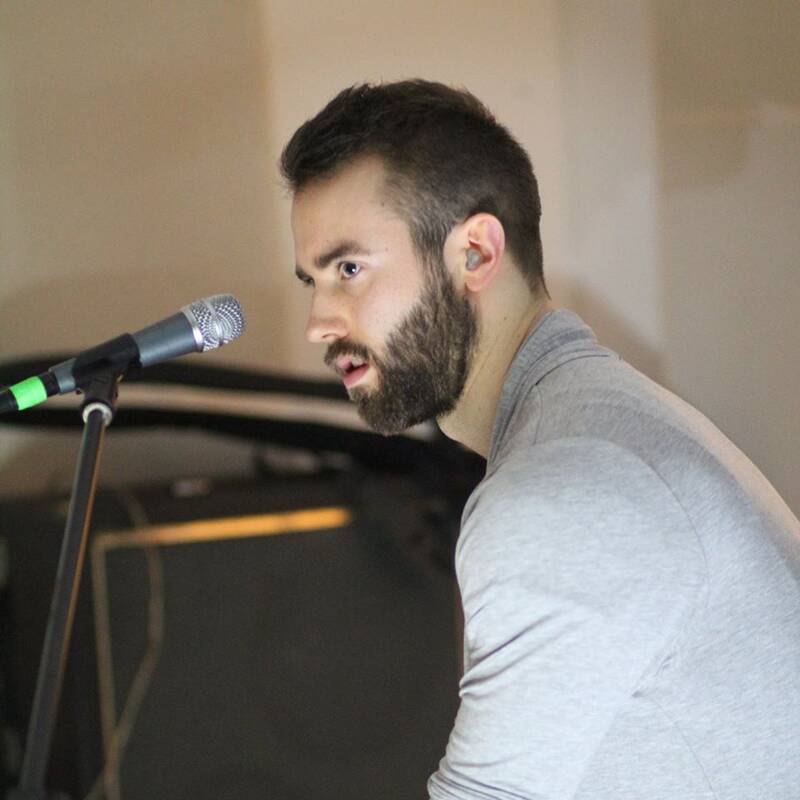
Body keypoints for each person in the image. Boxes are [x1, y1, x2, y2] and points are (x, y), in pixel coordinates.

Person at [280, 80, 800, 799]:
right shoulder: (607, 425)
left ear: (475, 253)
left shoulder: (559, 490)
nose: (318, 322)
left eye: (349, 269)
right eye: (312, 280)